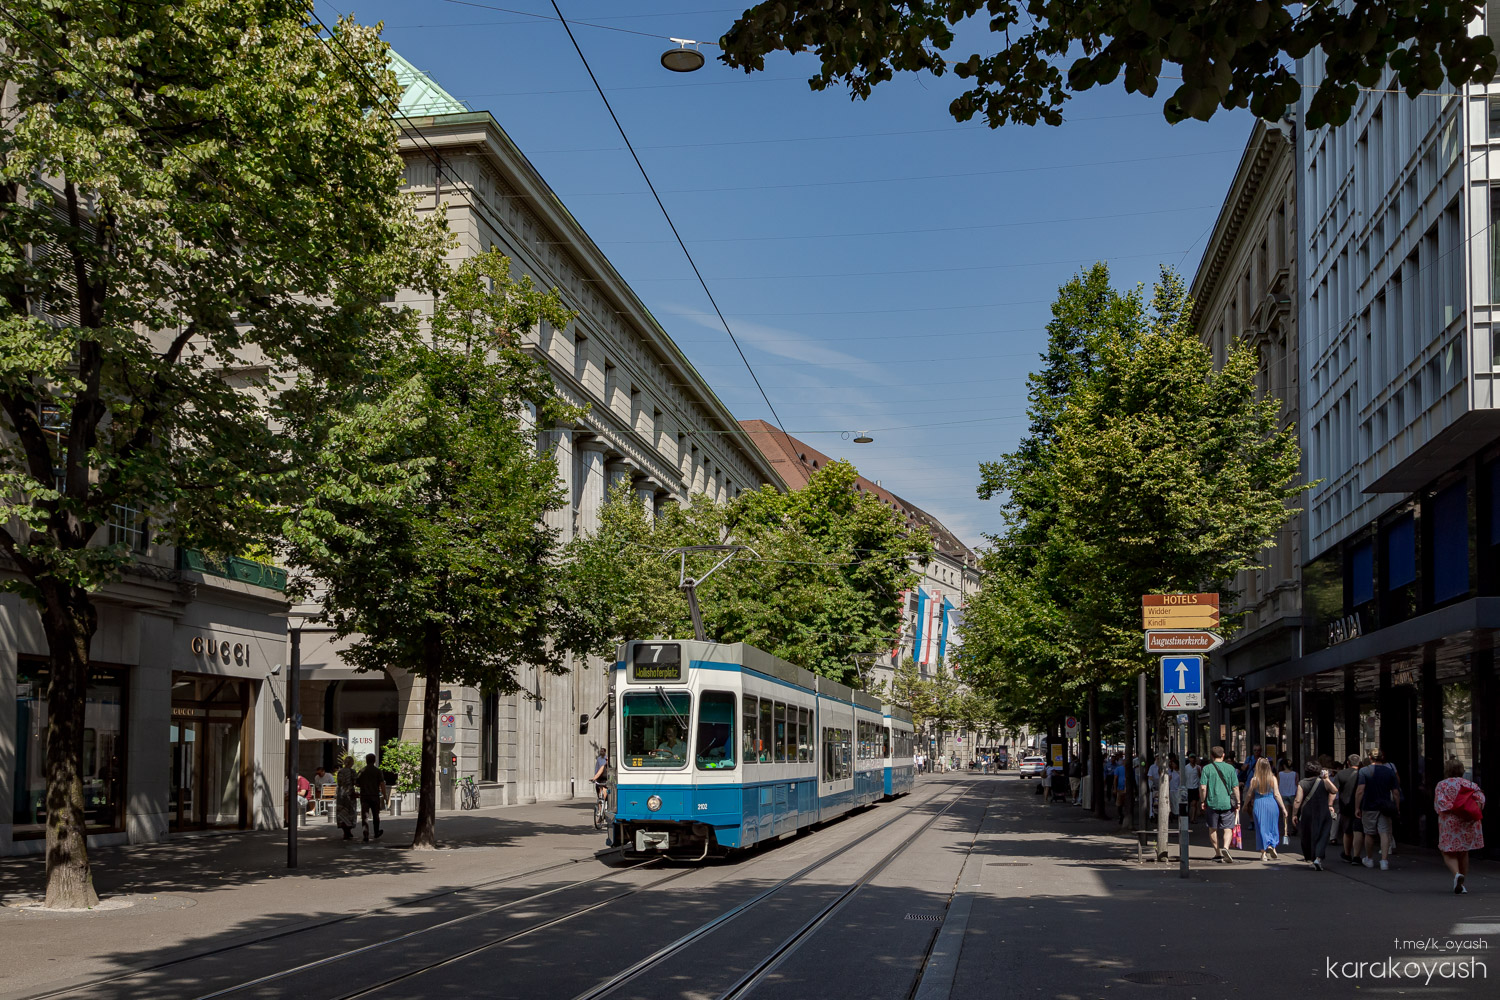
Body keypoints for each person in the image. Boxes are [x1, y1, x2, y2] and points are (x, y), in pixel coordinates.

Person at [1434, 758, 1485, 894]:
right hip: (1467, 821)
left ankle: (1457, 875)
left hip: (1450, 821)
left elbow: (1440, 803)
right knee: (1463, 851)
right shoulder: (1470, 784)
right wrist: (1467, 810)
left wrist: (1454, 808)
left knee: (1447, 851)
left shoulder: (1442, 785)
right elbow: (1480, 800)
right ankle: (1462, 884)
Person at [1355, 749, 1401, 870]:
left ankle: (1369, 858)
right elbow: (1395, 792)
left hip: (1369, 805)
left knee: (1369, 833)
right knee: (1384, 832)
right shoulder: (1389, 771)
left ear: (1370, 757)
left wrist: (1357, 807)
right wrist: (1397, 807)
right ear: (1382, 757)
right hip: (1385, 805)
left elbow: (1360, 790)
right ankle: (1384, 861)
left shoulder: (1364, 771)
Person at [1290, 760, 1338, 870]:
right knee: (1323, 834)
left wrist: (1294, 814)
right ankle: (1318, 857)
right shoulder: (1323, 781)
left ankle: (1311, 857)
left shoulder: (1302, 783)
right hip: (1323, 812)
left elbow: (1297, 800)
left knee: (1308, 835)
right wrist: (1326, 779)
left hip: (1307, 812)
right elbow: (1334, 790)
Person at [1201, 746, 1241, 863]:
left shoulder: (1206, 769)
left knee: (1212, 828)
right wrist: (1238, 802)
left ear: (1211, 756)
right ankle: (1226, 848)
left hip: (1212, 802)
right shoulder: (1230, 768)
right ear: (1223, 755)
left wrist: (1203, 801)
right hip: (1227, 802)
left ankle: (1218, 853)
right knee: (1228, 828)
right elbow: (1235, 787)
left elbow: (1203, 787)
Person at [1245, 758, 1287, 861]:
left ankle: (1263, 854)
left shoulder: (1254, 780)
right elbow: (1277, 794)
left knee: (1261, 828)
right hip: (1271, 804)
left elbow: (1249, 794)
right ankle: (1272, 846)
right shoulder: (1273, 778)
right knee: (1272, 826)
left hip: (1259, 804)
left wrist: (1245, 805)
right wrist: (1283, 808)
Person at [1334, 754, 1363, 864]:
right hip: (1360, 806)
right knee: (1358, 830)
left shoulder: (1341, 774)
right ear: (1359, 763)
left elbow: (1334, 790)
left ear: (1348, 763)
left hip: (1345, 805)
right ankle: (1357, 856)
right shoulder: (1363, 773)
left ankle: (1347, 853)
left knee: (1347, 831)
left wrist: (1330, 804)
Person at [356, 752, 386, 841]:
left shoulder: (362, 771)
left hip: (364, 795)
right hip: (374, 795)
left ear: (366, 760)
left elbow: (357, 783)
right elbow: (382, 784)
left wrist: (363, 785)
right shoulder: (377, 771)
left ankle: (365, 834)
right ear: (374, 760)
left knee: (365, 816)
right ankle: (376, 832)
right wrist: (385, 795)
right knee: (376, 815)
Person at [1276, 758, 1299, 847]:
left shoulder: (1280, 774)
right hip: (1293, 794)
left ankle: (1286, 830)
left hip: (1283, 794)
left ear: (1283, 765)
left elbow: (1277, 784)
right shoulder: (1295, 774)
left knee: (1285, 814)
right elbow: (1297, 784)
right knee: (1294, 813)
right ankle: (1294, 827)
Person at [335, 755, 358, 840]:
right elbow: (356, 782)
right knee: (350, 812)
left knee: (342, 812)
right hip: (349, 793)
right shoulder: (352, 772)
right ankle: (349, 831)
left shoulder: (340, 771)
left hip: (341, 793)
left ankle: (345, 832)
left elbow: (339, 782)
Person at [1182, 754, 1202, 823]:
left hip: (1195, 787)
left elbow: (1200, 777)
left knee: (1194, 804)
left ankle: (1192, 819)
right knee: (1187, 804)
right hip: (1187, 788)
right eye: (1191, 758)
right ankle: (1187, 817)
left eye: (1193, 758)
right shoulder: (1186, 768)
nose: (1192, 759)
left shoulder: (1198, 767)